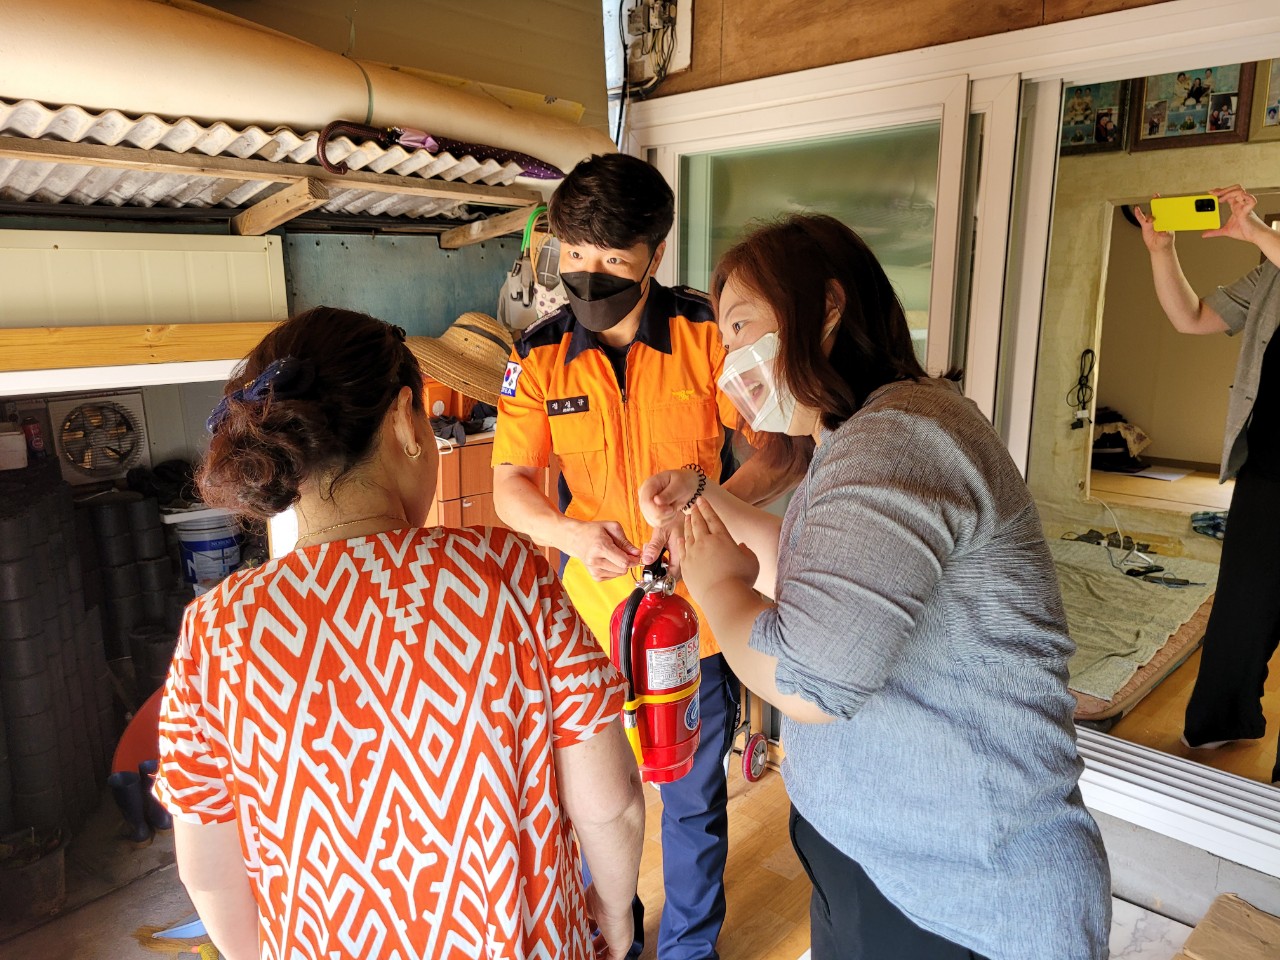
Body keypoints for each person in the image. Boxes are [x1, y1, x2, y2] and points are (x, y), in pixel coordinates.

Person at [638, 214, 1112, 960]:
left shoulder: (897, 441)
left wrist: (719, 586)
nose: (731, 364)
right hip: (885, 865)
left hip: (964, 899)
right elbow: (813, 568)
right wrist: (704, 497)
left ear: (827, 307)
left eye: (741, 327)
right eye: (723, 343)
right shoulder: (860, 433)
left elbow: (809, 682)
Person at [153, 307, 646, 960]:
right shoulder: (508, 573)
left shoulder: (215, 632)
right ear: (407, 419)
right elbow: (611, 803)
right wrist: (614, 911)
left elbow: (208, 874)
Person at [491, 152, 793, 960]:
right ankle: (612, 939)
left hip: (694, 617)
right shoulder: (539, 355)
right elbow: (510, 485)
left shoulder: (708, 336)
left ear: (654, 255)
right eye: (573, 256)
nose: (588, 277)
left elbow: (781, 449)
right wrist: (568, 535)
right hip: (591, 622)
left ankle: (688, 950)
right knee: (598, 800)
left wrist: (703, 500)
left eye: (613, 262)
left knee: (691, 799)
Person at [1134, 186, 1280, 782]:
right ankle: (1222, 718)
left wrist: (1259, 234)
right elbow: (1191, 318)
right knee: (1244, 604)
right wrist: (1161, 251)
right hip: (1269, 464)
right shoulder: (1271, 273)